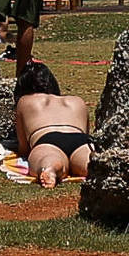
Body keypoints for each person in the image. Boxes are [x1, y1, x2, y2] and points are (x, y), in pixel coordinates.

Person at [13, 61, 94, 189]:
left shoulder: (25, 101)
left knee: (47, 157)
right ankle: (93, 168)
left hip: (47, 138)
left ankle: (51, 167)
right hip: (79, 139)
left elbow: (24, 148)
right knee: (90, 163)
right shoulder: (77, 101)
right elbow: (86, 133)